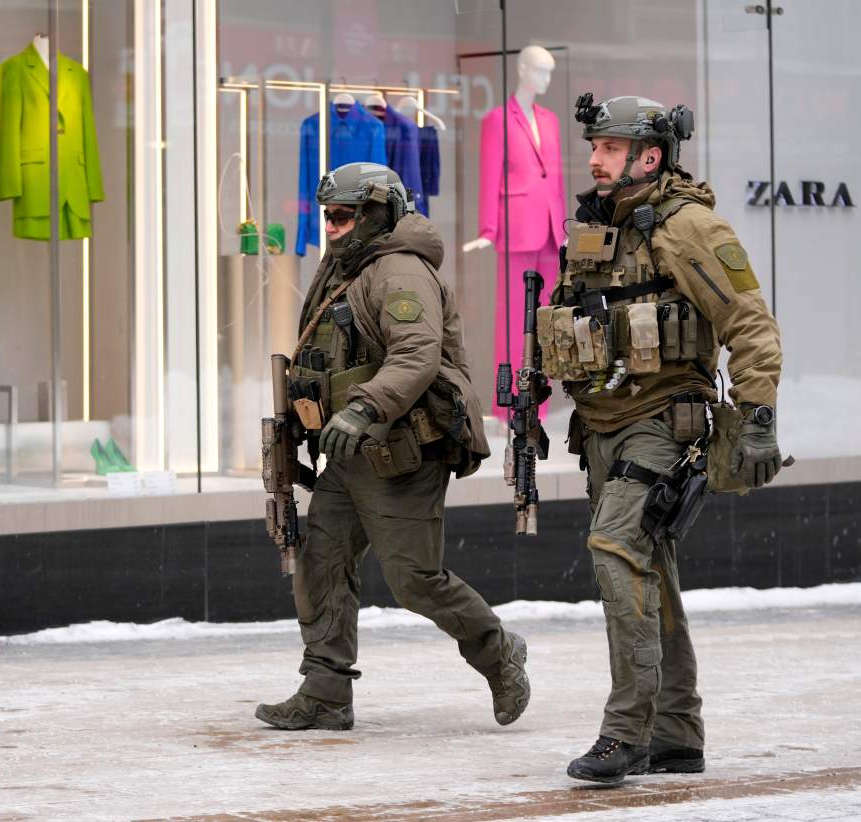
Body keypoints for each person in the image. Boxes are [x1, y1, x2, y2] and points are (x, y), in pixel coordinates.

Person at [539, 96, 785, 783]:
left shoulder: (689, 227)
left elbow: (751, 324)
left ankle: (627, 734)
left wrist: (757, 414)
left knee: (617, 552)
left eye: (610, 148)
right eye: (594, 146)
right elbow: (566, 321)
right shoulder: (596, 225)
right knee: (651, 575)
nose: (594, 158)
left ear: (650, 156)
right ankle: (678, 734)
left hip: (663, 424)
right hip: (601, 429)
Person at [255, 162, 530, 731]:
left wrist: (363, 409)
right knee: (321, 564)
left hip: (402, 449)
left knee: (415, 580)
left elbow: (417, 355)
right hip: (352, 454)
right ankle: (325, 691)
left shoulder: (398, 271)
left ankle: (499, 652)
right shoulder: (345, 269)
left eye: (345, 215)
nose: (331, 225)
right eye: (327, 214)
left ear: (378, 215)